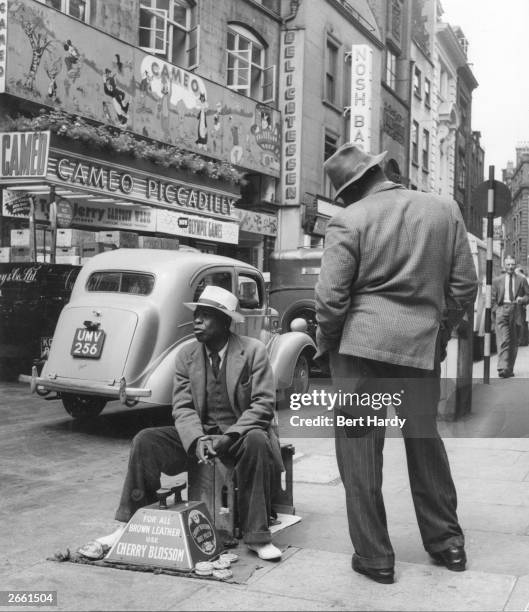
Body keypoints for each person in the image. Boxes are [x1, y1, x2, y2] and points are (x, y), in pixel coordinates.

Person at [314, 144, 478, 585]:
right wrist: (439, 335)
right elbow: (465, 286)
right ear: (381, 171)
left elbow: (330, 302)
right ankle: (448, 544)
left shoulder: (348, 220)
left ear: (348, 191)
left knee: (360, 453)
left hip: (360, 353)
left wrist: (326, 343)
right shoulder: (445, 210)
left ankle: (376, 558)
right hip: (419, 350)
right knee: (425, 442)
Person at [78, 285, 283, 561]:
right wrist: (197, 440)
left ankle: (257, 536)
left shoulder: (253, 351)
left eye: (206, 315)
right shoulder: (186, 355)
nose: (197, 320)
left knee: (257, 439)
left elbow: (263, 405)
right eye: (197, 314)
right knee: (146, 440)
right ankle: (129, 523)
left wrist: (230, 437)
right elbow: (183, 407)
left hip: (241, 437)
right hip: (200, 436)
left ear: (225, 321)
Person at [492, 257, 529, 376]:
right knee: (504, 339)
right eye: (508, 264)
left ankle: (509, 368)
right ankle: (502, 368)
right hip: (502, 310)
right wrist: (497, 310)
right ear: (504, 265)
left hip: (517, 310)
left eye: (512, 264)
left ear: (515, 265)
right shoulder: (497, 281)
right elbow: (492, 299)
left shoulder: (522, 280)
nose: (510, 267)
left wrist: (522, 299)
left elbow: (528, 296)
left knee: (514, 341)